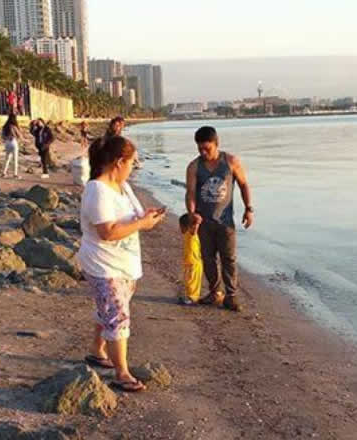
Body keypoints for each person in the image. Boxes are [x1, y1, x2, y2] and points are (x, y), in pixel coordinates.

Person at [78, 136, 167, 392]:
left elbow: (131, 217)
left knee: (109, 307)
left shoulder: (122, 186)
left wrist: (146, 217)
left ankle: (97, 350)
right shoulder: (97, 189)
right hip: (104, 263)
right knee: (117, 315)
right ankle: (122, 372)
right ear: (119, 162)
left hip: (125, 263)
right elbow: (107, 231)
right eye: (131, 162)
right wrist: (142, 224)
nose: (133, 167)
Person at [185, 126, 254, 312]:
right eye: (200, 149)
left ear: (217, 144)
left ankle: (231, 295)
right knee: (208, 258)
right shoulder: (194, 167)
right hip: (204, 222)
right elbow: (190, 192)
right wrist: (192, 214)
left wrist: (249, 209)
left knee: (229, 258)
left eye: (207, 148)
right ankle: (215, 292)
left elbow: (243, 184)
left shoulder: (231, 162)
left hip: (225, 223)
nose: (203, 152)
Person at [177, 213, 204, 305]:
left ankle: (193, 297)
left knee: (193, 280)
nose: (180, 229)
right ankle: (189, 295)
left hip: (194, 263)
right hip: (188, 262)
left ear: (188, 227)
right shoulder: (186, 234)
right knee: (188, 280)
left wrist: (197, 222)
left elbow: (195, 227)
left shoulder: (192, 234)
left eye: (182, 227)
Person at [1, 114, 20, 178]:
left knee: (7, 158)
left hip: (7, 142)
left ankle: (4, 173)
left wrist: (7, 138)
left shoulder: (4, 126)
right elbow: (19, 135)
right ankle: (15, 174)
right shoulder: (13, 126)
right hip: (13, 142)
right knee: (15, 159)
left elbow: (2, 136)